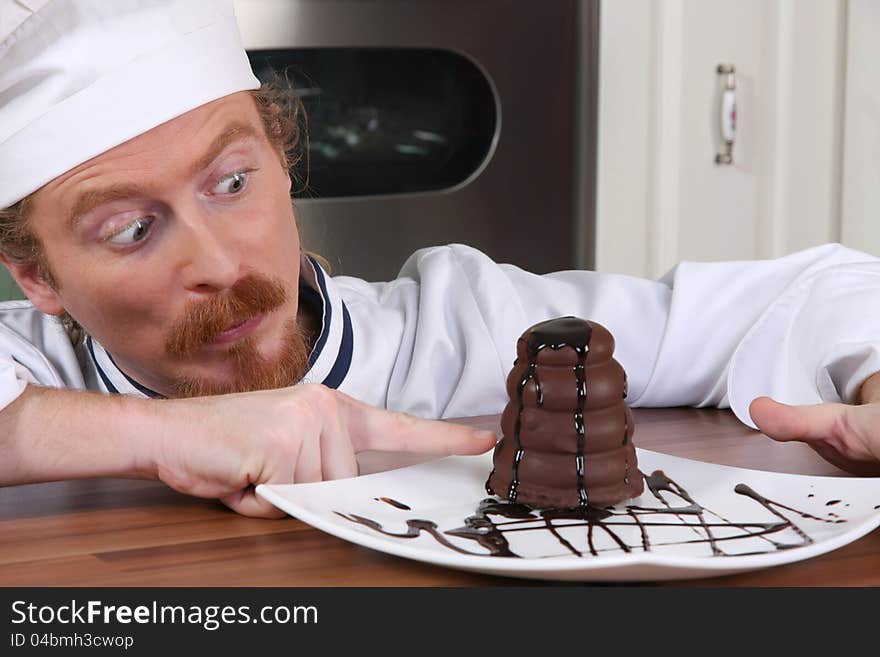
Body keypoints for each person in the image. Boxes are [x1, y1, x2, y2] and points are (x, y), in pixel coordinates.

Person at [1, 1, 878, 520]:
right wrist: (165, 437)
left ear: (280, 153)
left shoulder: (460, 330)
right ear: (36, 275)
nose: (221, 261)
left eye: (232, 181)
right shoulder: (33, 372)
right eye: (131, 229)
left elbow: (812, 293)